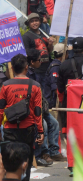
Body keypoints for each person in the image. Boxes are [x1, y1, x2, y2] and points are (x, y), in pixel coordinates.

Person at [0, 53, 44, 181]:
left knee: (10, 163)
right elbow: (37, 111)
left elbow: (0, 109)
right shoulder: (35, 86)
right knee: (26, 162)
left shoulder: (5, 85)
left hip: (9, 130)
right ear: (26, 67)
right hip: (28, 131)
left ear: (12, 68)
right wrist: (40, 131)